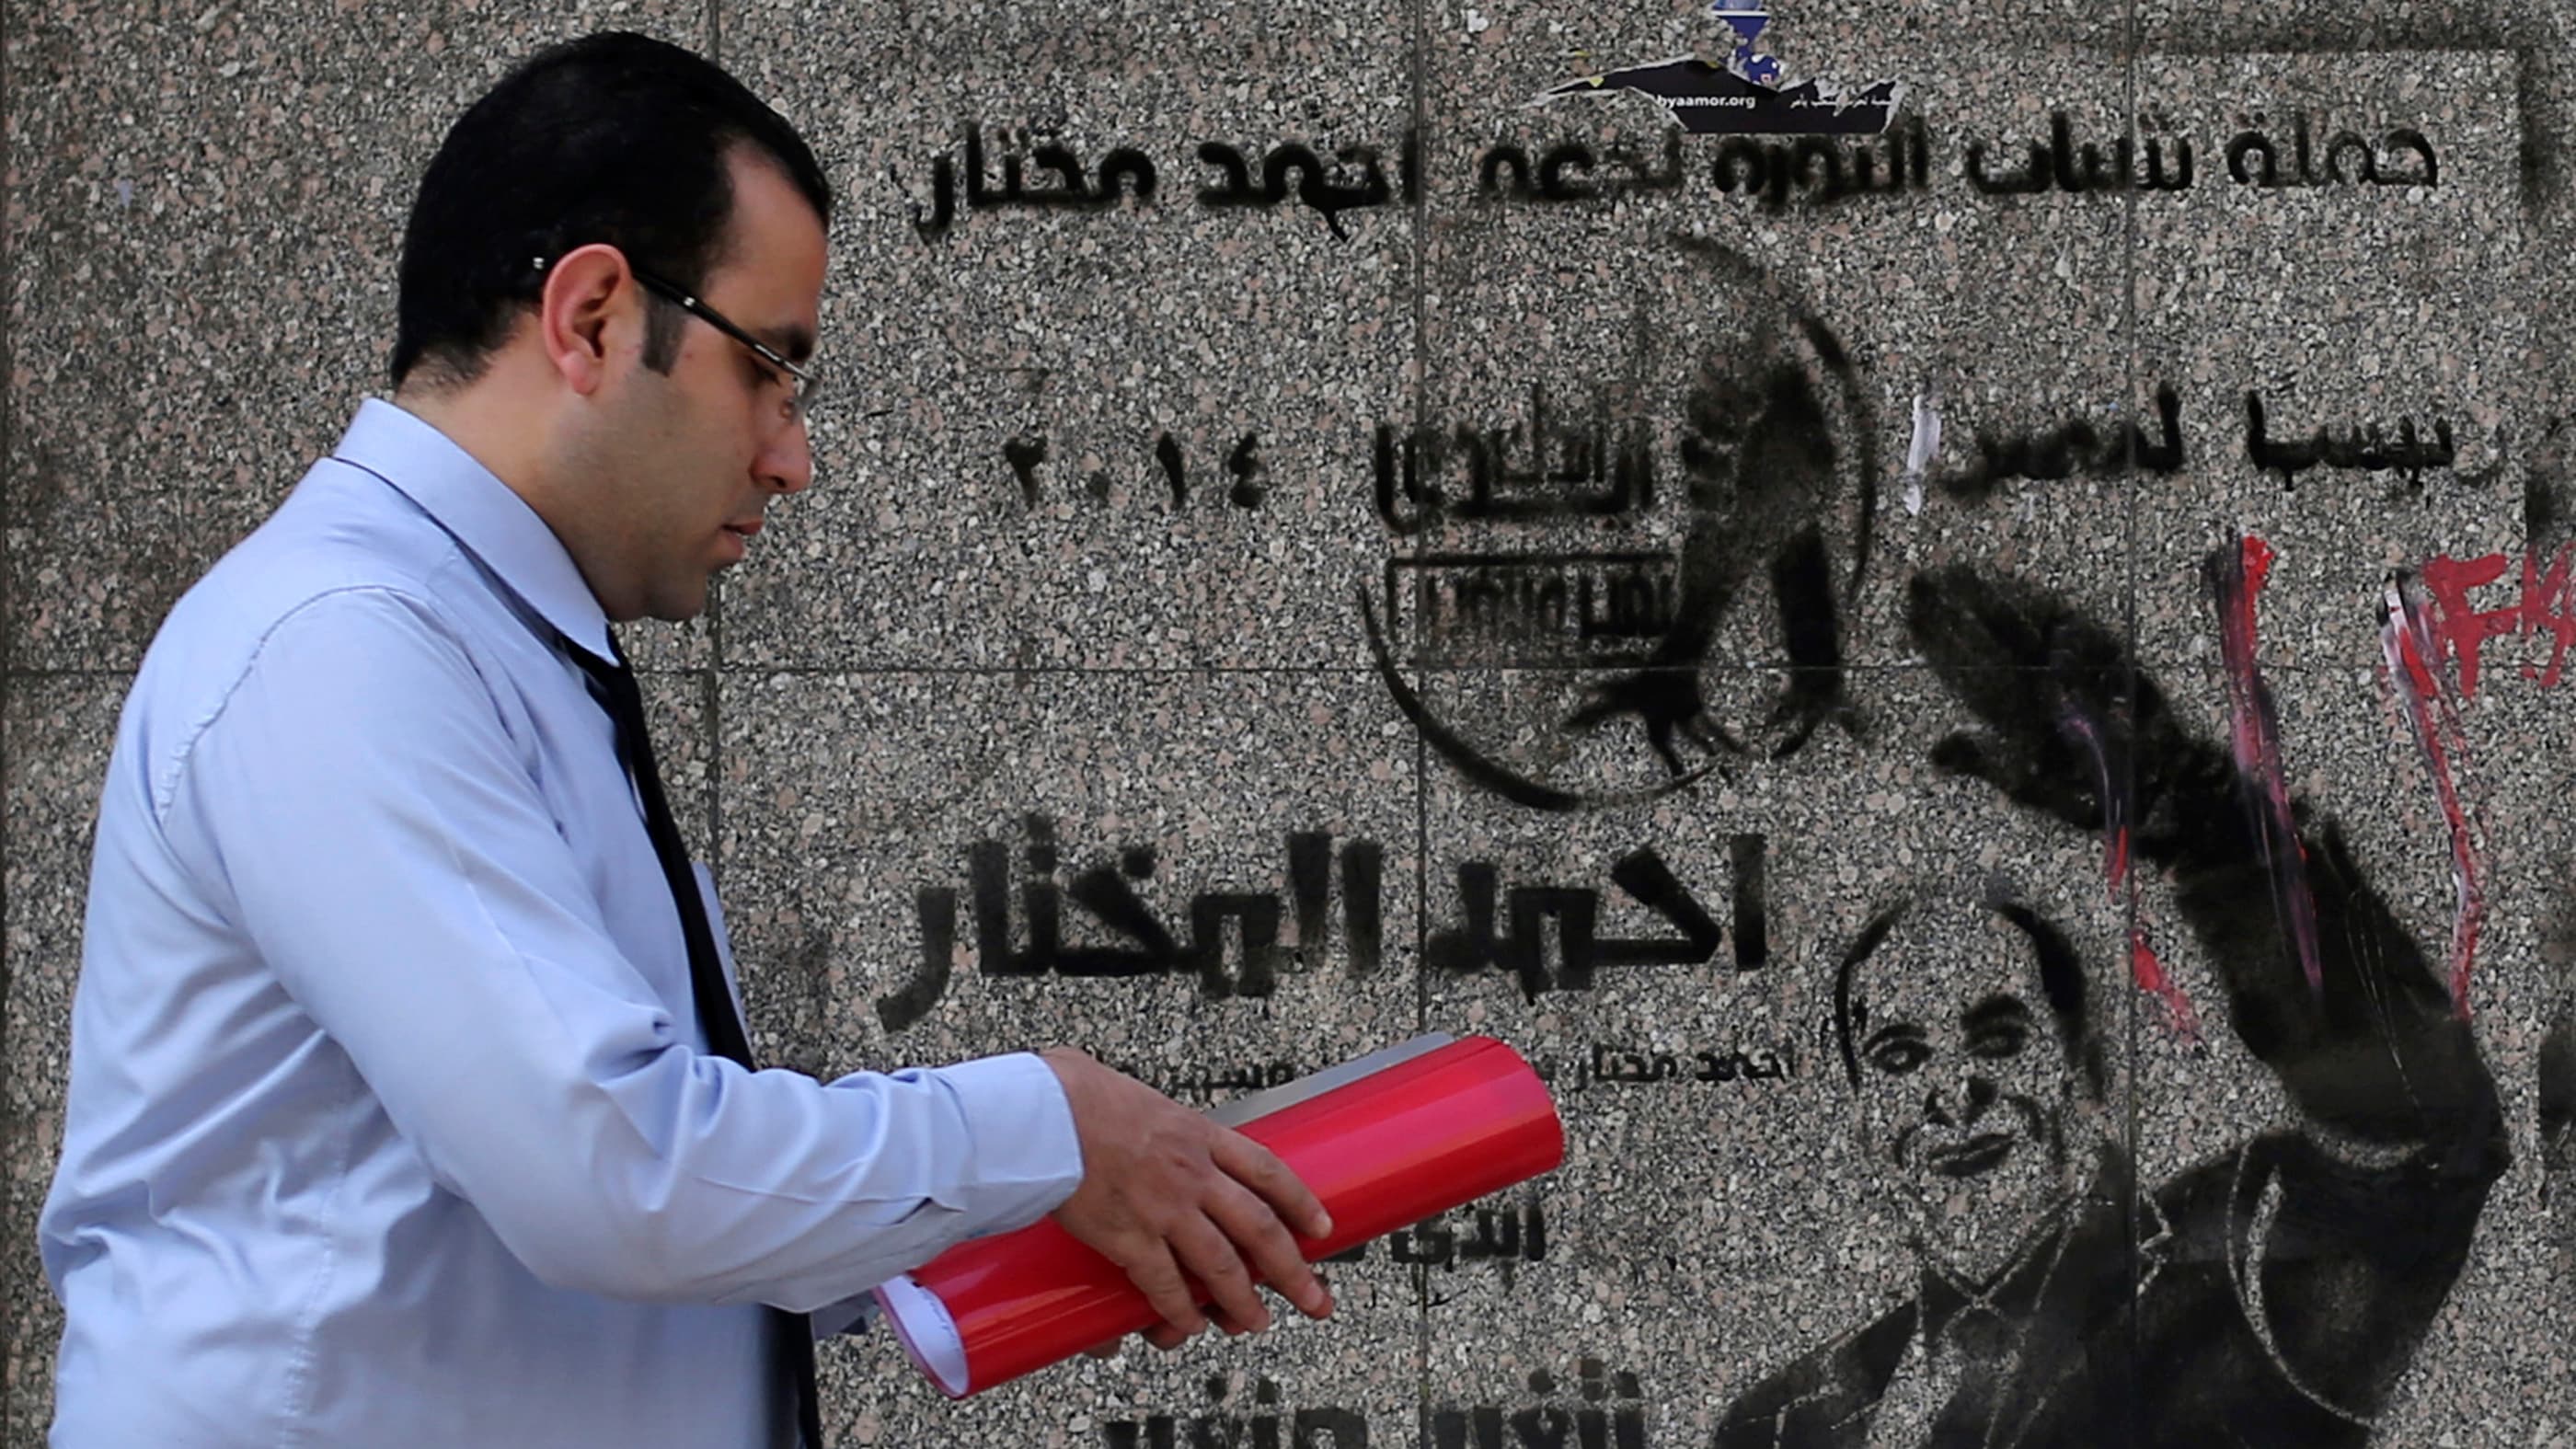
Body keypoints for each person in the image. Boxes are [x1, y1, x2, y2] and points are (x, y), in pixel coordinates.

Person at [37, 31, 1330, 1448]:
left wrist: (1011, 1209)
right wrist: (1044, 1126)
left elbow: (576, 1215)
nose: (792, 455)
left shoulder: (492, 646)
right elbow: (609, 1171)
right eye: (770, 367)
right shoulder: (342, 644)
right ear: (593, 317)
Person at [1714, 564, 2508, 1448]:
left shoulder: (2235, 1265)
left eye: (1999, 1039)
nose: (1954, 1093)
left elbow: (2431, 1140)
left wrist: (2207, 825)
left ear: (2085, 1073)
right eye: (1900, 1056)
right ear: (1864, 1121)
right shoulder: (1787, 1420)